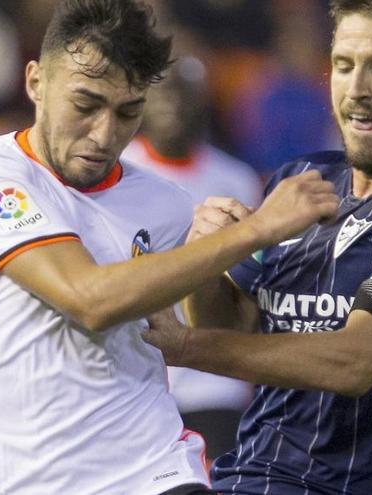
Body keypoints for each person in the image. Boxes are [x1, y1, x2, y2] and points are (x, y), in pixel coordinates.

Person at [0, 1, 339, 494]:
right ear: (36, 82)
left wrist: (220, 259)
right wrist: (249, 235)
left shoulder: (167, 204)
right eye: (85, 105)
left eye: (127, 112)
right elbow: (90, 299)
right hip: (25, 479)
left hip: (154, 469)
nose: (104, 135)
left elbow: (221, 331)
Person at [142, 0, 372, 493]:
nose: (357, 90)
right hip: (245, 478)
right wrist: (213, 255)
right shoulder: (299, 179)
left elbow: (355, 361)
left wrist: (184, 347)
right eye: (344, 66)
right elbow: (229, 325)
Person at [121, 55, 261, 460]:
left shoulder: (237, 179)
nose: (174, 104)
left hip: (214, 381)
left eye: (186, 94)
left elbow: (249, 285)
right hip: (136, 377)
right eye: (163, 92)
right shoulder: (120, 167)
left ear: (204, 101)